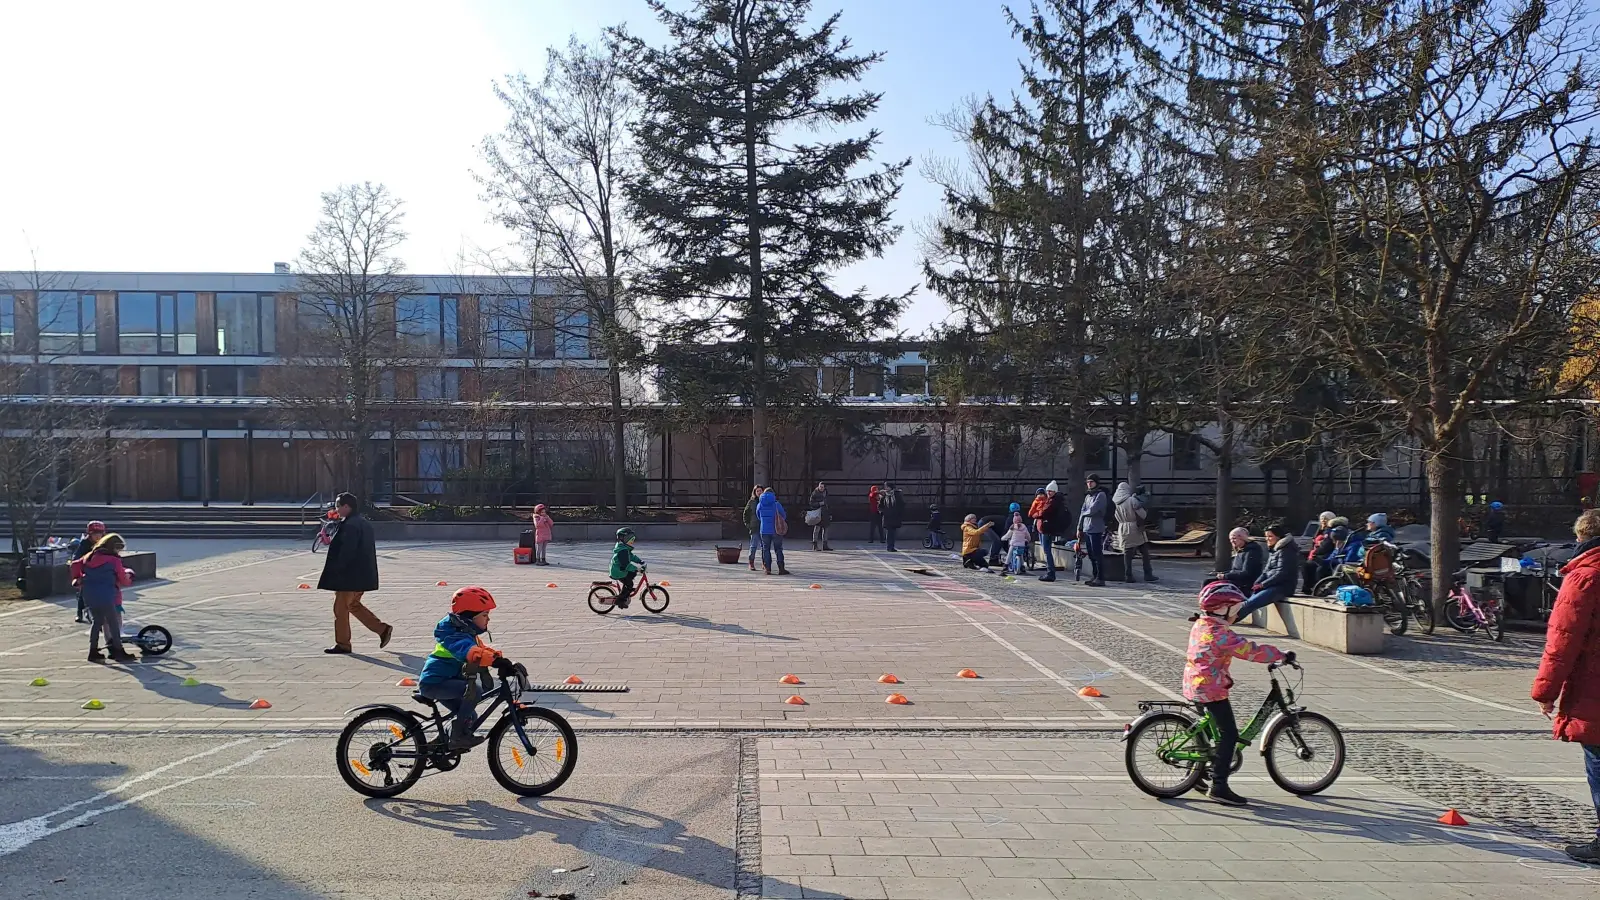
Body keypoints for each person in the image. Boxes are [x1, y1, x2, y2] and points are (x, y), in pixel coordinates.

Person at [1532, 509, 1600, 865]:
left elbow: (1562, 642)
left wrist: (1545, 692)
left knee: (1599, 760)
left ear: (1580, 538)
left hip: (1594, 690)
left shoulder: (1585, 577)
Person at [1185, 581, 1292, 806]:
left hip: (1195, 684)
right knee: (1229, 735)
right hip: (1211, 689)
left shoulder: (1201, 624)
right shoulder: (1220, 634)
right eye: (1235, 610)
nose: (1237, 614)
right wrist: (1279, 654)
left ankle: (1197, 774)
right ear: (1224, 610)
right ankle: (1219, 786)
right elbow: (1250, 651)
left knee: (1211, 732)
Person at [418, 586, 514, 751]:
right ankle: (457, 738)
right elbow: (470, 652)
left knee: (470, 716)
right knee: (475, 692)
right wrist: (494, 662)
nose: (488, 620)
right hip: (434, 683)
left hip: (448, 681)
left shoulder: (466, 632)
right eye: (485, 615)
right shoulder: (453, 635)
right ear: (470, 616)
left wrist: (499, 659)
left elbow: (481, 650)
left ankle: (438, 747)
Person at [317, 492, 391, 655]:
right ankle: (382, 629)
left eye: (338, 506)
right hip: (362, 574)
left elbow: (346, 552)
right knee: (353, 605)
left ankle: (343, 644)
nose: (336, 509)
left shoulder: (350, 525)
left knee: (341, 609)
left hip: (350, 577)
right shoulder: (361, 522)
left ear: (346, 506)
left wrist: (337, 571)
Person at [76, 533, 136, 663]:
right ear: (113, 547)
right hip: (106, 594)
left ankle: (93, 651)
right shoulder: (114, 560)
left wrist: (79, 579)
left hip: (89, 594)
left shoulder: (89, 557)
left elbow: (75, 565)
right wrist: (129, 576)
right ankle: (118, 651)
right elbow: (122, 579)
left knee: (97, 622)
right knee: (113, 623)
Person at [1233, 523, 1300, 624]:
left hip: (1282, 587)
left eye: (1270, 536)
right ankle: (1228, 620)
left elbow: (1281, 573)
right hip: (1270, 584)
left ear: (1278, 537)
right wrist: (1258, 582)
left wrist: (1263, 584)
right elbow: (1266, 571)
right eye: (1266, 536)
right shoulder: (1275, 550)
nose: (1267, 539)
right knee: (1247, 601)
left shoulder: (1286, 551)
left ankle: (1227, 621)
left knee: (1249, 603)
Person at [1113, 482, 1157, 583]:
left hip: (1123, 527)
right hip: (1135, 527)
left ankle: (1128, 575)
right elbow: (1142, 514)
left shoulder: (1115, 502)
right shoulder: (1131, 500)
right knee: (1144, 551)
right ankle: (1148, 574)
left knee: (1127, 553)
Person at [70, 520, 107, 623]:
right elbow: (77, 557)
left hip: (101, 570)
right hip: (87, 570)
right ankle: (79, 612)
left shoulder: (104, 543)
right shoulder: (84, 543)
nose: (97, 536)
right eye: (95, 534)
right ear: (90, 534)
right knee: (83, 591)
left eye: (99, 533)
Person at [1077, 475, 1110, 587]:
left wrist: (1085, 512)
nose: (1089, 484)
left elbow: (1092, 510)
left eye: (1091, 482)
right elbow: (1082, 511)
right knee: (1091, 554)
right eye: (1088, 482)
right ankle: (1094, 575)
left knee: (1097, 553)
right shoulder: (1088, 496)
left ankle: (1100, 577)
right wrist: (1079, 528)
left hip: (1096, 527)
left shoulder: (1100, 495)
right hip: (1087, 527)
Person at [1038, 481, 1071, 582]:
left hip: (1048, 528)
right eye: (1047, 491)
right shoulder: (1056, 500)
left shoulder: (1053, 501)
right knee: (1047, 551)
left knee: (1047, 551)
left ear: (1055, 492)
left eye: (1050, 491)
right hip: (1049, 528)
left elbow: (1043, 513)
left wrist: (1036, 514)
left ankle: (1050, 572)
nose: (1048, 493)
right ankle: (1050, 572)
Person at [1216, 527, 1266, 593]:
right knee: (1210, 582)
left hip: (1245, 584)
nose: (1232, 541)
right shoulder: (1241, 550)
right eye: (1230, 539)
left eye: (1234, 538)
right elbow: (1235, 570)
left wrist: (1225, 576)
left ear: (1242, 538)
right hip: (1238, 580)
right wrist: (1223, 574)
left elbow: (1246, 573)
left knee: (1209, 583)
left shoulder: (1252, 551)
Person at [1303, 511, 1340, 594]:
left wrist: (1317, 551)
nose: (1323, 521)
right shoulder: (1321, 531)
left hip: (1327, 555)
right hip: (1320, 554)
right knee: (1307, 565)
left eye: (1326, 519)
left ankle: (1318, 588)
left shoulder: (1331, 531)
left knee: (1317, 567)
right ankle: (1308, 587)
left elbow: (1326, 546)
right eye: (1322, 519)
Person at [757, 487, 790, 574]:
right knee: (778, 549)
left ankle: (768, 568)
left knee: (766, 549)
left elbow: (758, 516)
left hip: (764, 530)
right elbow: (783, 515)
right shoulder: (776, 504)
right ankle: (781, 568)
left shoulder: (760, 504)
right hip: (776, 529)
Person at [610, 527, 646, 605]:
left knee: (632, 574)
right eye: (631, 540)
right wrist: (637, 568)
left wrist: (639, 561)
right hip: (618, 571)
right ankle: (620, 601)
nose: (632, 542)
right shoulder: (622, 551)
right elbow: (626, 565)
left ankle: (626, 589)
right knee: (629, 584)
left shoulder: (625, 548)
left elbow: (632, 556)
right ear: (625, 539)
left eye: (633, 540)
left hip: (620, 569)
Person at [807, 482, 833, 551]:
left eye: (822, 487)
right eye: (820, 486)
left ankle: (825, 545)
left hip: (826, 513)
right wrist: (819, 504)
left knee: (826, 529)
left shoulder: (826, 493)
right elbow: (811, 503)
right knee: (817, 529)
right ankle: (815, 545)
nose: (821, 488)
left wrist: (830, 514)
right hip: (818, 513)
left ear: (824, 488)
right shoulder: (815, 493)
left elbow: (829, 504)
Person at [743, 485, 763, 571]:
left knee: (764, 546)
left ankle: (764, 563)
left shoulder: (765, 501)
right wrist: (748, 525)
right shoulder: (751, 502)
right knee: (753, 546)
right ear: (755, 492)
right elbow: (745, 514)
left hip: (763, 526)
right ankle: (751, 562)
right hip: (754, 527)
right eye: (757, 491)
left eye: (760, 491)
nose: (759, 493)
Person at [881, 482, 905, 552]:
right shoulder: (885, 495)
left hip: (894, 517)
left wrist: (899, 513)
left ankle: (892, 546)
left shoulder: (896, 495)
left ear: (890, 487)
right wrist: (883, 511)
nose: (885, 488)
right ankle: (889, 546)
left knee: (893, 532)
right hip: (887, 516)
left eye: (887, 487)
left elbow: (902, 504)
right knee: (889, 532)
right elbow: (880, 505)